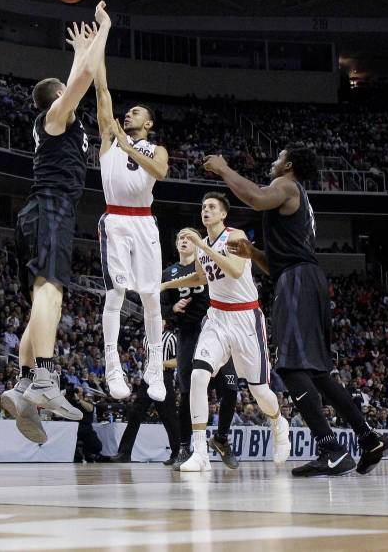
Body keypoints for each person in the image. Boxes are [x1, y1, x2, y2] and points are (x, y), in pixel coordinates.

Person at [206, 145, 388, 477]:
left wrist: (224, 170)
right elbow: (277, 265)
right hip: (303, 277)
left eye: (278, 156)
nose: (273, 160)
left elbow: (256, 198)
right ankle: (369, 439)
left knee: (290, 368)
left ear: (288, 164)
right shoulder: (295, 196)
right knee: (316, 372)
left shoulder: (287, 186)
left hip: (299, 281)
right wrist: (252, 252)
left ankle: (332, 449)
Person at [0, 3, 109, 444]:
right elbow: (83, 81)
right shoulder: (56, 117)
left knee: (39, 305)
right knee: (52, 293)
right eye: (64, 91)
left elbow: (78, 75)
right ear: (57, 97)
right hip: (51, 209)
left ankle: (24, 385)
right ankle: (46, 380)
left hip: (38, 212)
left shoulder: (57, 121)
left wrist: (81, 49)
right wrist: (104, 30)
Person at [162, 193, 289, 473]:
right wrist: (163, 287)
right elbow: (200, 277)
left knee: (260, 391)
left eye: (211, 207)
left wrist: (200, 247)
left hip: (245, 317)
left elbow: (233, 269)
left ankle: (279, 422)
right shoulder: (203, 244)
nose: (205, 210)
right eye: (203, 206)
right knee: (197, 375)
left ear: (222, 215)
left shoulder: (235, 235)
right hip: (217, 317)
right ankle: (200, 453)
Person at [92, 22, 169, 403]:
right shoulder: (110, 138)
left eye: (135, 112)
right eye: (127, 113)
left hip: (145, 222)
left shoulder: (157, 149)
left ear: (148, 124)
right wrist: (100, 39)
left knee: (152, 297)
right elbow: (102, 89)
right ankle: (112, 366)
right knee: (115, 293)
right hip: (116, 220)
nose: (128, 115)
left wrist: (128, 144)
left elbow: (160, 173)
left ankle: (154, 368)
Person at [161, 228, 239, 469]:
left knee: (230, 387)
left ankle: (222, 438)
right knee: (187, 392)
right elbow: (162, 309)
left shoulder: (207, 265)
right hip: (188, 335)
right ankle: (186, 446)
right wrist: (173, 309)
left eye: (188, 238)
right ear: (175, 244)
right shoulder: (169, 273)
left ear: (197, 243)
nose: (184, 241)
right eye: (180, 238)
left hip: (216, 329)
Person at [112, 326, 179, 464]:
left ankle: (177, 454)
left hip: (163, 378)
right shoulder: (147, 338)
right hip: (147, 378)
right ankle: (124, 452)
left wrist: (160, 363)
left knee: (169, 417)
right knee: (135, 413)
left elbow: (178, 360)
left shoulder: (171, 338)